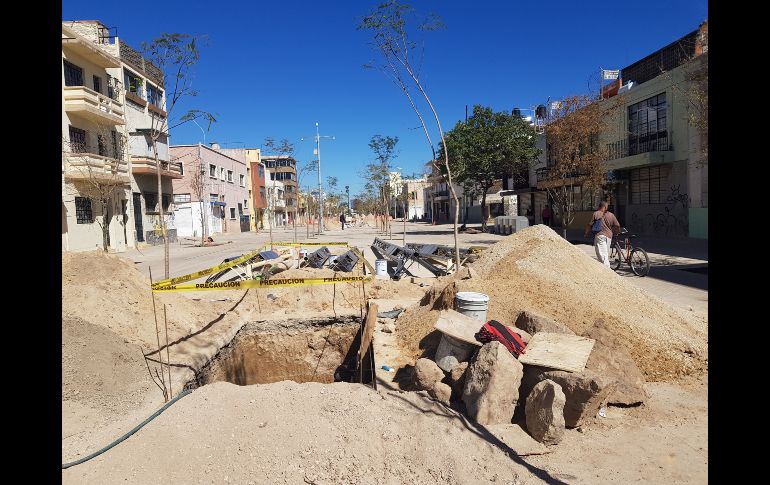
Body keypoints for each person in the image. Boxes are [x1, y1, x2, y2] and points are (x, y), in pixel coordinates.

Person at [585, 201, 621, 268]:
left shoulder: (596, 213)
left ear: (600, 206)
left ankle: (608, 272)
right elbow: (617, 225)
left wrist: (586, 233)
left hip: (600, 236)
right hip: (609, 237)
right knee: (605, 255)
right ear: (605, 207)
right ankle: (604, 272)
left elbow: (589, 225)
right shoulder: (611, 215)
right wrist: (616, 233)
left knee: (602, 256)